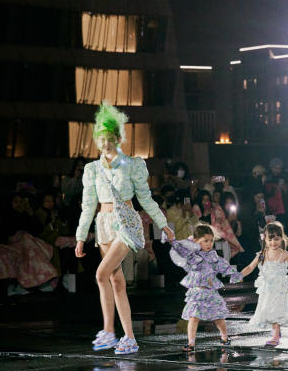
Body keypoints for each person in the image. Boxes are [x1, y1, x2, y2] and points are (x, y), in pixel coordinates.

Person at [75, 103, 174, 355]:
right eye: (102, 138)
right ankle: (129, 337)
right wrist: (80, 237)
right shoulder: (92, 169)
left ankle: (109, 332)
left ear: (118, 139)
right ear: (97, 140)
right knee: (116, 281)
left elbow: (146, 199)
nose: (106, 143)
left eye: (110, 138)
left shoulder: (132, 165)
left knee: (101, 275)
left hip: (126, 224)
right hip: (103, 225)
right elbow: (88, 206)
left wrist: (163, 224)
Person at [239, 221, 288, 347]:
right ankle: (276, 332)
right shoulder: (262, 254)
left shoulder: (284, 254)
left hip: (279, 288)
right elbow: (250, 267)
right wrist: (240, 275)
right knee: (267, 309)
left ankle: (275, 335)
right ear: (265, 239)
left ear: (281, 238)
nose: (273, 242)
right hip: (266, 289)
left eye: (276, 239)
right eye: (270, 239)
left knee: (277, 309)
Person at [169, 224, 242, 352]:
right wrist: (173, 241)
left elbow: (223, 265)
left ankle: (225, 338)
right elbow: (179, 250)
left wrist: (234, 273)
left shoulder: (213, 257)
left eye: (211, 240)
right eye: (205, 241)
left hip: (210, 292)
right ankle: (191, 343)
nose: (209, 244)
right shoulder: (192, 255)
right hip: (196, 291)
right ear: (196, 241)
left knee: (218, 317)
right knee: (193, 316)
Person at [193, 189, 243, 259]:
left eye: (207, 199)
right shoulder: (196, 212)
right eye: (203, 199)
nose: (206, 202)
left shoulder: (215, 211)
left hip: (217, 243)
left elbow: (220, 228)